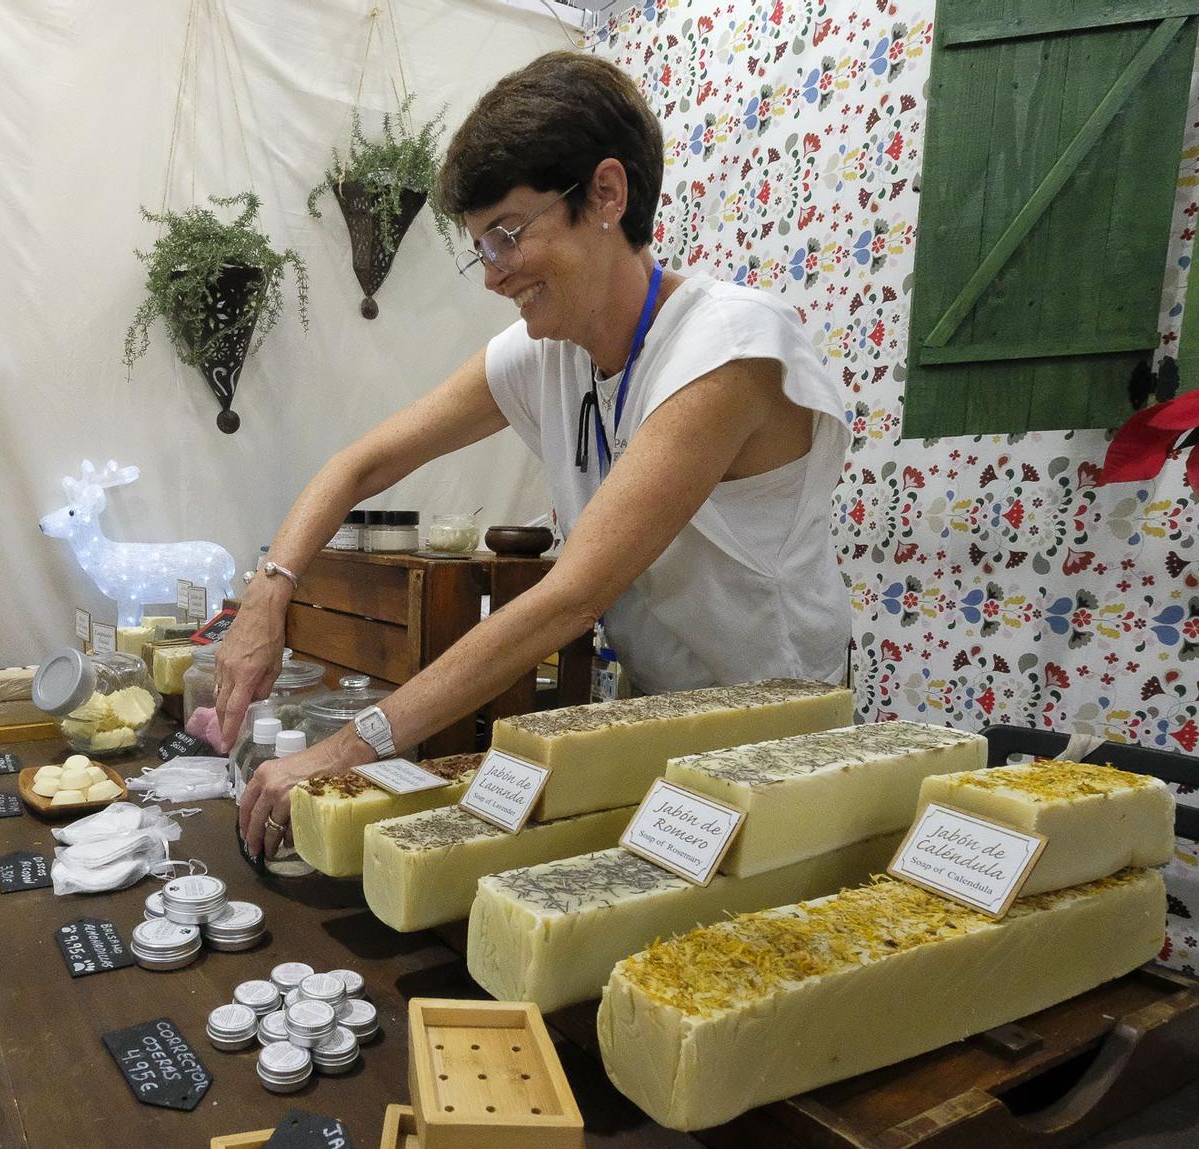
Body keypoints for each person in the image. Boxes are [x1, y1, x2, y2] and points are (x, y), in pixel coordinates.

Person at [219, 51, 852, 858]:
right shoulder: (547, 354)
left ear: (607, 195)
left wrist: (346, 750)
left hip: (783, 736)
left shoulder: (725, 349)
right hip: (662, 717)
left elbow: (570, 597)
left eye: (508, 235)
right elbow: (361, 465)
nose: (493, 275)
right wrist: (266, 597)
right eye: (481, 247)